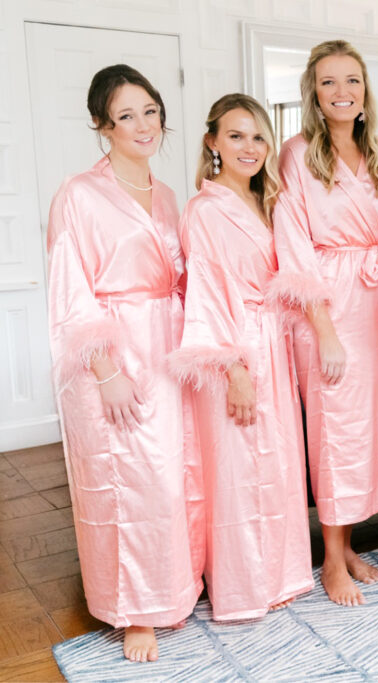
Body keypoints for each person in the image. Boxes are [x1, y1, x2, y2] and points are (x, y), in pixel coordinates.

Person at [46, 64, 202, 662]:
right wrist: (105, 370)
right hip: (115, 356)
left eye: (150, 112)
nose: (143, 126)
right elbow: (71, 291)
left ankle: (177, 586)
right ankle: (134, 610)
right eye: (126, 116)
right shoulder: (79, 194)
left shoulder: (166, 194)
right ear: (101, 126)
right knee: (129, 480)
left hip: (167, 346)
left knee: (174, 475)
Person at [269, 40, 378, 607]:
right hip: (326, 306)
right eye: (329, 82)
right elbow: (293, 247)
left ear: (365, 89)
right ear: (314, 93)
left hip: (376, 306)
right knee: (333, 432)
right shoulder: (297, 154)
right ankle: (330, 558)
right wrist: (323, 330)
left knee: (371, 428)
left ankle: (348, 546)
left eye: (352, 80)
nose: (342, 91)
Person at [171, 94, 312, 619]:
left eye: (257, 136)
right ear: (212, 142)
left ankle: (280, 573)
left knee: (274, 463)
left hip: (272, 341)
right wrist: (234, 370)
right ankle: (242, 587)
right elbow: (206, 293)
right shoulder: (205, 210)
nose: (249, 147)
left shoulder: (265, 200)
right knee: (237, 467)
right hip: (235, 348)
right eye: (235, 136)